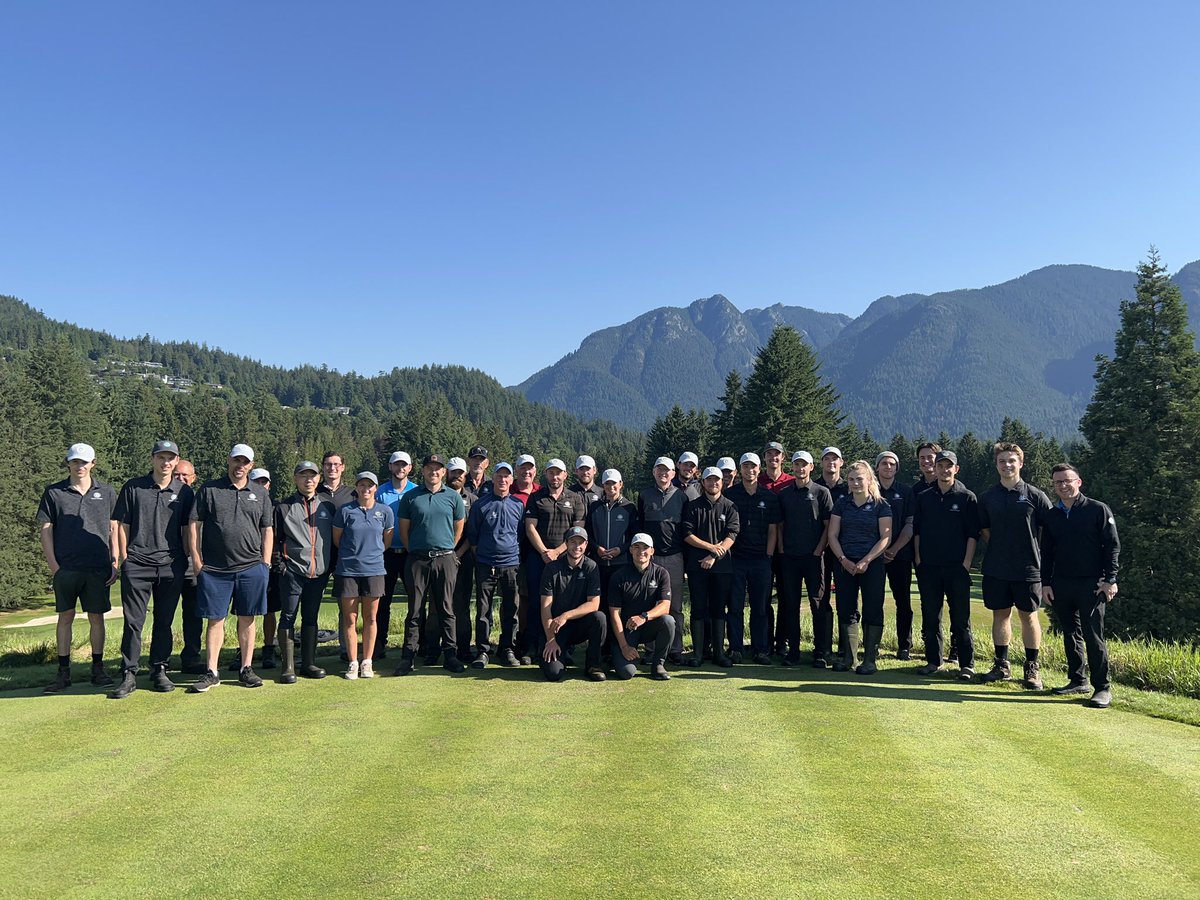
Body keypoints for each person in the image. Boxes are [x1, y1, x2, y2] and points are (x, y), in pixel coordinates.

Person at [187, 443, 273, 693]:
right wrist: (196, 558)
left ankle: (246, 668)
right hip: (215, 569)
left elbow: (267, 529)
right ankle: (211, 671)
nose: (240, 466)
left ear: (251, 465)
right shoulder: (210, 489)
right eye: (237, 460)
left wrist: (265, 563)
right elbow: (195, 523)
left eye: (245, 462)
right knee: (215, 620)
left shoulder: (260, 492)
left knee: (248, 618)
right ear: (229, 461)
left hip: (251, 566)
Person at [110, 440, 193, 698]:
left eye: (170, 458)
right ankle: (129, 673)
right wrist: (124, 557)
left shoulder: (184, 491)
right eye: (161, 457)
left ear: (176, 460)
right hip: (138, 563)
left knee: (164, 621)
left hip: (171, 565)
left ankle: (159, 669)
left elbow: (189, 530)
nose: (165, 462)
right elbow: (121, 524)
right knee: (133, 622)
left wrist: (189, 558)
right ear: (152, 459)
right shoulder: (134, 487)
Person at [38, 443, 119, 693]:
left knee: (96, 617)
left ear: (93, 463)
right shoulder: (54, 492)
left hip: (97, 566)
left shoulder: (106, 492)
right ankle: (64, 672)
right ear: (68, 463)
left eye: (84, 462)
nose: (80, 466)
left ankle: (98, 668)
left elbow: (113, 526)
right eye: (75, 462)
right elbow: (45, 530)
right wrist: (54, 566)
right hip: (67, 567)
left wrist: (115, 560)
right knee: (65, 617)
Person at [1040, 464, 1120, 709]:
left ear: (1079, 482)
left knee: (1093, 636)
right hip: (1062, 584)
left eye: (1067, 481)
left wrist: (1111, 580)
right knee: (1070, 634)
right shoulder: (1053, 515)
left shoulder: (1097, 509)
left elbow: (1112, 546)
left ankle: (1102, 688)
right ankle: (1077, 680)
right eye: (1057, 483)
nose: (1063, 486)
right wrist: (1045, 584)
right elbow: (1047, 553)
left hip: (1092, 584)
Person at [977, 442, 1053, 689]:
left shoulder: (1035, 496)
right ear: (996, 464)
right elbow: (985, 530)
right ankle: (1001, 665)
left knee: (1029, 616)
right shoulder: (988, 497)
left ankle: (1031, 668)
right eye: (1002, 461)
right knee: (1000, 615)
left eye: (1012, 461)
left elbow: (1048, 531)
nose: (1007, 465)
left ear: (1021, 463)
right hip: (997, 568)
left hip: (1029, 568)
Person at [396, 455, 467, 675]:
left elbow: (458, 528)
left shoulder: (453, 497)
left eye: (437, 469)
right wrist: (416, 550)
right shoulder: (410, 497)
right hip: (417, 559)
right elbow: (404, 531)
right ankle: (408, 657)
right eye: (429, 468)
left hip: (445, 558)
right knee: (415, 610)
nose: (433, 472)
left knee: (446, 609)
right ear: (423, 470)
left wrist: (448, 550)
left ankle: (450, 655)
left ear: (444, 472)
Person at [913, 451, 980, 679]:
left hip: (956, 568)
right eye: (940, 465)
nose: (944, 470)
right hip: (929, 566)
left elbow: (973, 534)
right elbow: (917, 532)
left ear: (956, 469)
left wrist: (966, 564)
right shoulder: (924, 497)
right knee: (931, 617)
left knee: (961, 619)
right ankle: (933, 661)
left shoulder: (967, 497)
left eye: (948, 466)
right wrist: (919, 559)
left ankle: (966, 665)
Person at [827, 461, 892, 674]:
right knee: (846, 609)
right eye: (852, 479)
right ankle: (848, 658)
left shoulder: (881, 505)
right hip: (845, 564)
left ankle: (870, 661)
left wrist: (867, 560)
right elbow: (833, 535)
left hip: (871, 565)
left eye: (860, 479)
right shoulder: (842, 503)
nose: (855, 483)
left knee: (873, 609)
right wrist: (843, 559)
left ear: (869, 480)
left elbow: (885, 538)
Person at [274, 460, 337, 682]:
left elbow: (334, 540)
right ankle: (288, 667)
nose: (308, 480)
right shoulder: (284, 506)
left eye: (312, 476)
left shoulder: (327, 506)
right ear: (295, 479)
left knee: (311, 618)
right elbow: (275, 540)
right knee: (288, 617)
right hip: (293, 571)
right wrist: (281, 566)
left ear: (319, 479)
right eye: (303, 475)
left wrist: (329, 567)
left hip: (318, 573)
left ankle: (309, 663)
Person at [522, 458, 587, 662]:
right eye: (551, 473)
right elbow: (530, 527)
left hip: (565, 558)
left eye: (558, 473)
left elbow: (578, 530)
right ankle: (533, 646)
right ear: (546, 474)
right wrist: (544, 551)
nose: (555, 476)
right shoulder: (536, 497)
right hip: (538, 558)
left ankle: (563, 646)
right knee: (536, 602)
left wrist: (558, 551)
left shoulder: (575, 498)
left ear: (566, 475)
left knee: (563, 602)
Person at [332, 471, 394, 679]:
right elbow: (337, 540)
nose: (366, 489)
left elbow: (386, 541)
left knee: (370, 617)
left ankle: (367, 662)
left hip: (374, 570)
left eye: (370, 485)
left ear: (376, 489)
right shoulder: (345, 511)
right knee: (350, 619)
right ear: (356, 488)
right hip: (348, 570)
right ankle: (352, 662)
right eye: (362, 485)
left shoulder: (385, 512)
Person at [465, 462, 524, 667]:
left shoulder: (518, 505)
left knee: (511, 609)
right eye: (499, 476)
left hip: (511, 565)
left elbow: (521, 535)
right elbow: (472, 536)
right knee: (483, 611)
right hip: (485, 564)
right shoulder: (481, 504)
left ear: (511, 480)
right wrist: (484, 556)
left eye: (506, 476)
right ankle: (483, 650)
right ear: (494, 479)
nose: (503, 480)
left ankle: (507, 648)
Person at [777, 451, 833, 666]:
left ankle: (820, 652)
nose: (800, 468)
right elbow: (780, 526)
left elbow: (828, 527)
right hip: (790, 557)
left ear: (811, 467)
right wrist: (782, 550)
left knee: (817, 604)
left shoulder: (822, 492)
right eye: (796, 464)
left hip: (813, 557)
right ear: (792, 467)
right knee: (790, 605)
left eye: (804, 465)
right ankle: (794, 652)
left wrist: (818, 550)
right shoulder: (784, 494)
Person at [682, 466, 740, 667]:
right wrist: (710, 548)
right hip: (697, 566)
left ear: (721, 482)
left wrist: (714, 554)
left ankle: (719, 653)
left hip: (722, 567)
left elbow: (732, 535)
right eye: (709, 480)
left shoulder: (730, 506)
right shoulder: (693, 506)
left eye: (716, 480)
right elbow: (687, 534)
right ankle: (698, 654)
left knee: (718, 609)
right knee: (698, 608)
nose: (713, 483)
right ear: (702, 483)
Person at [726, 452, 781, 664]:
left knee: (760, 607)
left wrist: (768, 556)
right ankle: (736, 649)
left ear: (760, 469)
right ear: (740, 470)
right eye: (746, 466)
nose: (750, 470)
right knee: (736, 606)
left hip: (760, 560)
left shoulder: (769, 497)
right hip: (736, 559)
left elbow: (773, 531)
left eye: (754, 466)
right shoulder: (730, 495)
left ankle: (761, 650)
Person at [636, 456, 689, 663]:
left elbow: (685, 530)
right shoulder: (645, 495)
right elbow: (640, 527)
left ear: (673, 474)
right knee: (650, 604)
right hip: (651, 557)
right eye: (659, 470)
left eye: (667, 470)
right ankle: (651, 649)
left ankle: (675, 649)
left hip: (675, 557)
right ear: (654, 472)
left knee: (674, 606)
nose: (663, 473)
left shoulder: (681, 497)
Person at [538, 526, 607, 682]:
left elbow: (594, 604)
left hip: (578, 625)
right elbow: (545, 607)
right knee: (554, 674)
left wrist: (566, 615)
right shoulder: (552, 568)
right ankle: (554, 655)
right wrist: (550, 639)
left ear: (586, 545)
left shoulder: (592, 567)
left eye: (581, 543)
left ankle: (593, 665)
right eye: (573, 542)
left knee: (599, 617)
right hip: (555, 628)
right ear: (566, 544)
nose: (577, 547)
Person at [608, 533, 674, 680]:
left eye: (645, 548)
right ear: (630, 550)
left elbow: (665, 606)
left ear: (652, 551)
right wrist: (624, 647)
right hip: (626, 630)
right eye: (637, 547)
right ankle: (620, 654)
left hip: (647, 625)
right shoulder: (619, 576)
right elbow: (614, 614)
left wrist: (644, 617)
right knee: (626, 672)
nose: (641, 551)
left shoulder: (661, 573)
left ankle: (658, 664)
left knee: (668, 621)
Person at [875, 451, 916, 660]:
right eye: (884, 463)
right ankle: (873, 645)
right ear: (877, 467)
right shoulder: (870, 490)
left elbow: (910, 525)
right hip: (874, 556)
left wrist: (894, 549)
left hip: (900, 555)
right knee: (875, 601)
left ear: (896, 468)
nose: (888, 467)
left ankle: (904, 646)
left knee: (903, 602)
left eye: (892, 464)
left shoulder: (906, 492)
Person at [375, 450, 415, 660]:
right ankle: (379, 643)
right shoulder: (380, 492)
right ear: (390, 467)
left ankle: (414, 644)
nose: (400, 468)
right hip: (386, 553)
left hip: (410, 553)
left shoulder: (416, 491)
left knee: (415, 601)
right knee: (383, 601)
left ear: (410, 468)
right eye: (396, 465)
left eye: (404, 465)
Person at [174, 458, 207, 674]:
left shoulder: (199, 500)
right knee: (164, 613)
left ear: (193, 478)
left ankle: (191, 658)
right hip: (166, 563)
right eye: (177, 475)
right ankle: (160, 660)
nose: (181, 478)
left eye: (185, 475)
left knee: (193, 615)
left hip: (192, 565)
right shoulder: (165, 497)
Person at [585, 468, 636, 607]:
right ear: (603, 485)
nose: (611, 487)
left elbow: (634, 536)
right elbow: (587, 533)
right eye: (607, 483)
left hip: (621, 564)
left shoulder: (629, 507)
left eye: (614, 483)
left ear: (621, 484)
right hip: (598, 564)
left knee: (619, 603)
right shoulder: (594, 507)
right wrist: (596, 549)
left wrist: (620, 549)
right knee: (600, 604)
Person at [246, 467, 281, 671]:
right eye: (257, 482)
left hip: (271, 563)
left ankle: (268, 648)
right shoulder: (241, 500)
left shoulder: (276, 506)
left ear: (269, 484)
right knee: (244, 610)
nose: (262, 485)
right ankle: (244, 651)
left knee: (269, 609)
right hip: (245, 561)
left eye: (264, 482)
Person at [446, 457, 478, 663]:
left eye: (460, 473)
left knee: (462, 605)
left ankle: (464, 649)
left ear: (465, 475)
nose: (457, 476)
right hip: (440, 558)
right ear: (446, 473)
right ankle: (434, 649)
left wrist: (458, 553)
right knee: (440, 604)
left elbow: (472, 533)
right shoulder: (439, 496)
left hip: (464, 558)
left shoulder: (473, 500)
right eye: (453, 472)